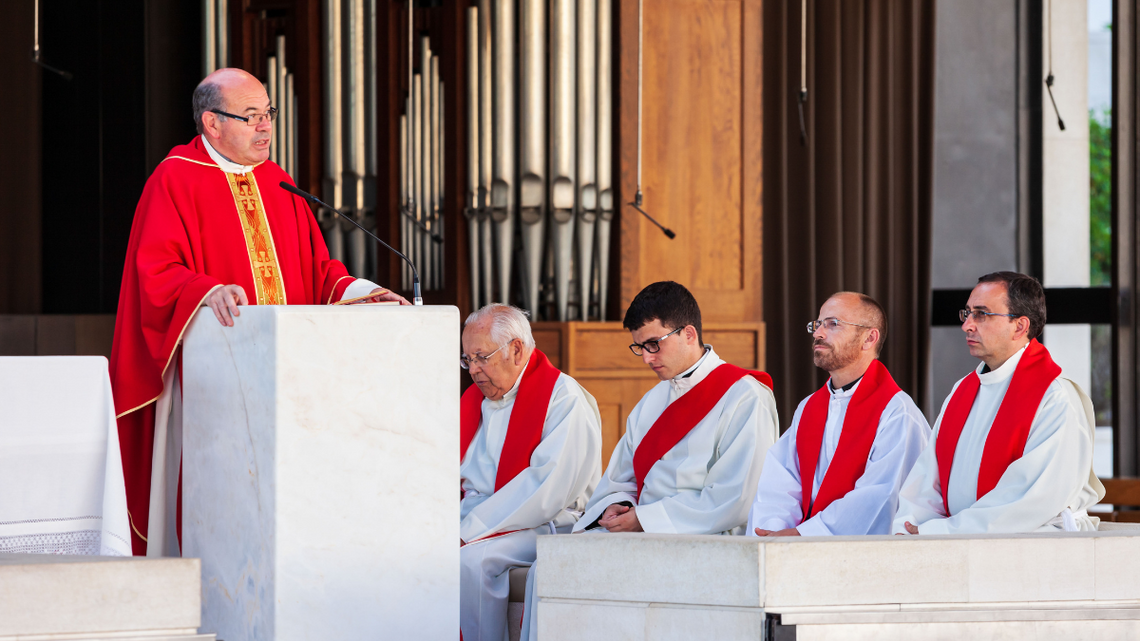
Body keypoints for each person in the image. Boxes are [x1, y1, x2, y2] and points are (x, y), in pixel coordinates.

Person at [110, 68, 407, 556]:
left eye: (268, 113)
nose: (266, 127)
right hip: (213, 378)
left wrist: (363, 292)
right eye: (251, 117)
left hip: (291, 381)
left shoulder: (278, 183)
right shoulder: (175, 177)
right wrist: (204, 290)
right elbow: (155, 270)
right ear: (212, 123)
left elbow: (317, 269)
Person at [519, 281, 779, 640]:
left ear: (689, 334)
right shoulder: (652, 401)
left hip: (705, 540)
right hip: (643, 533)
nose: (646, 357)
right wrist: (617, 507)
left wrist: (645, 518)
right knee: (548, 568)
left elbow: (738, 497)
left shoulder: (744, 396)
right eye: (639, 347)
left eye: (654, 344)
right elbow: (620, 478)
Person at [894, 272, 1104, 535]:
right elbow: (927, 477)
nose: (967, 325)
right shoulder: (963, 390)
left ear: (1019, 326)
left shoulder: (1054, 396)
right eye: (967, 313)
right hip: (953, 543)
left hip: (1035, 546)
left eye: (981, 314)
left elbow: (1030, 498)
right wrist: (910, 524)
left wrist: (942, 531)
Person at [459, 304, 602, 641]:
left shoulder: (563, 398)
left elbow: (547, 487)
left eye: (481, 357)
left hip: (543, 523)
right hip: (478, 515)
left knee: (475, 560)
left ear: (517, 350)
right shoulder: (473, 401)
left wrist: (469, 529)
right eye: (467, 360)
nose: (474, 370)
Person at [747, 292, 929, 537]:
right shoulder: (809, 408)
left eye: (832, 324)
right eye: (818, 324)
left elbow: (879, 495)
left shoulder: (897, 413)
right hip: (796, 554)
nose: (818, 333)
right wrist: (772, 532)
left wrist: (804, 535)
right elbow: (781, 482)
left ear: (868, 338)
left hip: (862, 557)